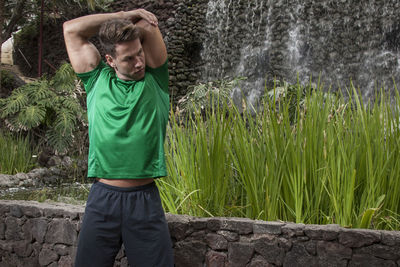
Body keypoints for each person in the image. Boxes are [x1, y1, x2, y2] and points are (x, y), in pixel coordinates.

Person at [63, 8, 174, 267]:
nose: (138, 62)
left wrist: (132, 21)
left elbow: (148, 26)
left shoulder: (155, 80)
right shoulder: (95, 79)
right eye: (128, 59)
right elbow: (71, 30)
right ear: (110, 60)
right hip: (103, 200)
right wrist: (125, 14)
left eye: (139, 53)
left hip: (144, 201)